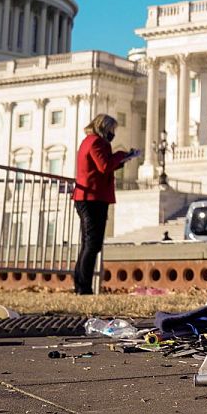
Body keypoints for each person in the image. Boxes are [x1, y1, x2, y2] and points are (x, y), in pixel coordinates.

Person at [73, 113, 138, 295]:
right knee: (92, 244)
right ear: (104, 127)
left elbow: (101, 166)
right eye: (112, 130)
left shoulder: (89, 141)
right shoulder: (97, 142)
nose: (113, 134)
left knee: (88, 243)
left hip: (87, 197)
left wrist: (122, 159)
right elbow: (104, 166)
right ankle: (83, 287)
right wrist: (120, 155)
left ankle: (80, 284)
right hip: (93, 198)